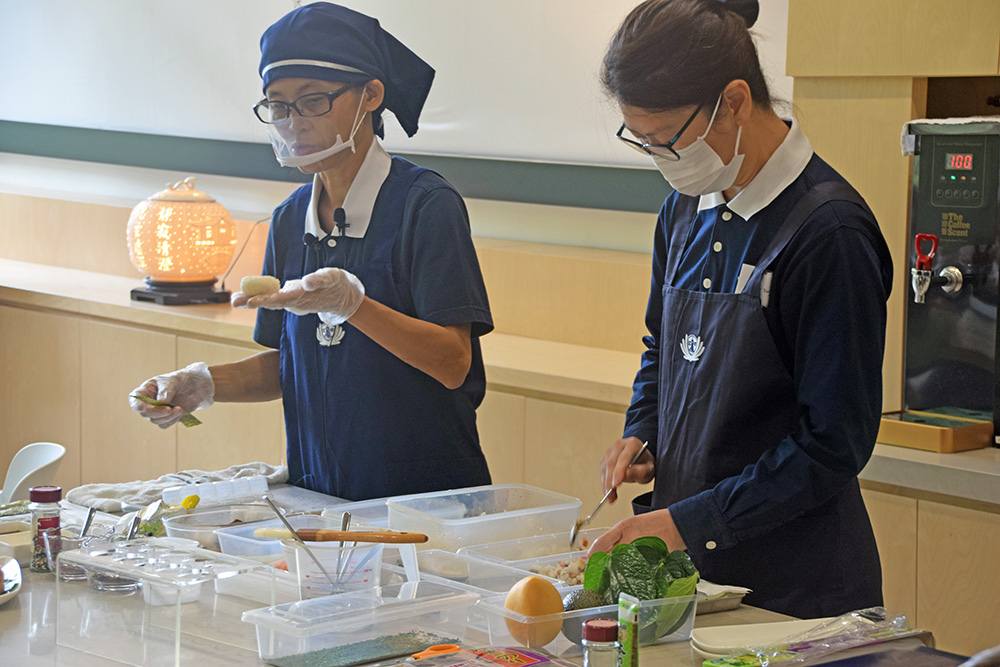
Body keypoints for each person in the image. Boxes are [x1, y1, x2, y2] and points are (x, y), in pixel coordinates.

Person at [589, 0, 893, 619]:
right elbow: (663, 347)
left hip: (799, 592)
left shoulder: (829, 233)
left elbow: (833, 443)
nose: (659, 158)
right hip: (697, 577)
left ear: (733, 102)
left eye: (665, 139)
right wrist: (644, 429)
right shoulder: (684, 209)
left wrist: (690, 521)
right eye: (641, 142)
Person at [129, 2, 493, 501]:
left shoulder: (425, 206)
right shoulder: (289, 219)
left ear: (371, 95)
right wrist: (203, 384)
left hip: (424, 500)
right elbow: (292, 365)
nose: (293, 123)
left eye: (313, 101)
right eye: (278, 106)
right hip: (319, 494)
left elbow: (453, 363)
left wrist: (354, 306)